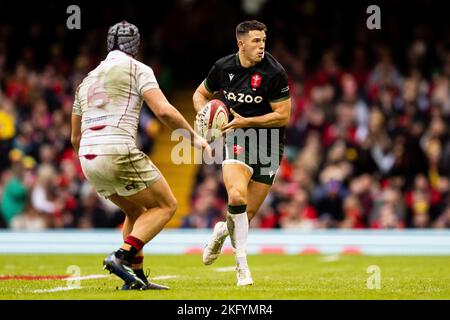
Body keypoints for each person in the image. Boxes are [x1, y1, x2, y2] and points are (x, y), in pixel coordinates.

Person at [71, 21, 210, 290]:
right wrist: (194, 138)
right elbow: (164, 111)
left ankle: (136, 279)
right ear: (135, 46)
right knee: (167, 205)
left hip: (87, 157)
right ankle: (121, 256)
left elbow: (75, 138)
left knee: (134, 209)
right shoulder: (138, 68)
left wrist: (92, 163)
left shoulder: (86, 80)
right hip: (117, 149)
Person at [192, 20, 291, 286]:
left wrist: (246, 121)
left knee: (243, 217)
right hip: (237, 137)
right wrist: (205, 117)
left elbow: (283, 116)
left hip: (269, 142)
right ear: (241, 44)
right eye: (256, 41)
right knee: (237, 195)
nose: (261, 46)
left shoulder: (274, 72)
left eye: (263, 41)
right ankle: (242, 265)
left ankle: (221, 231)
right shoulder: (223, 67)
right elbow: (199, 95)